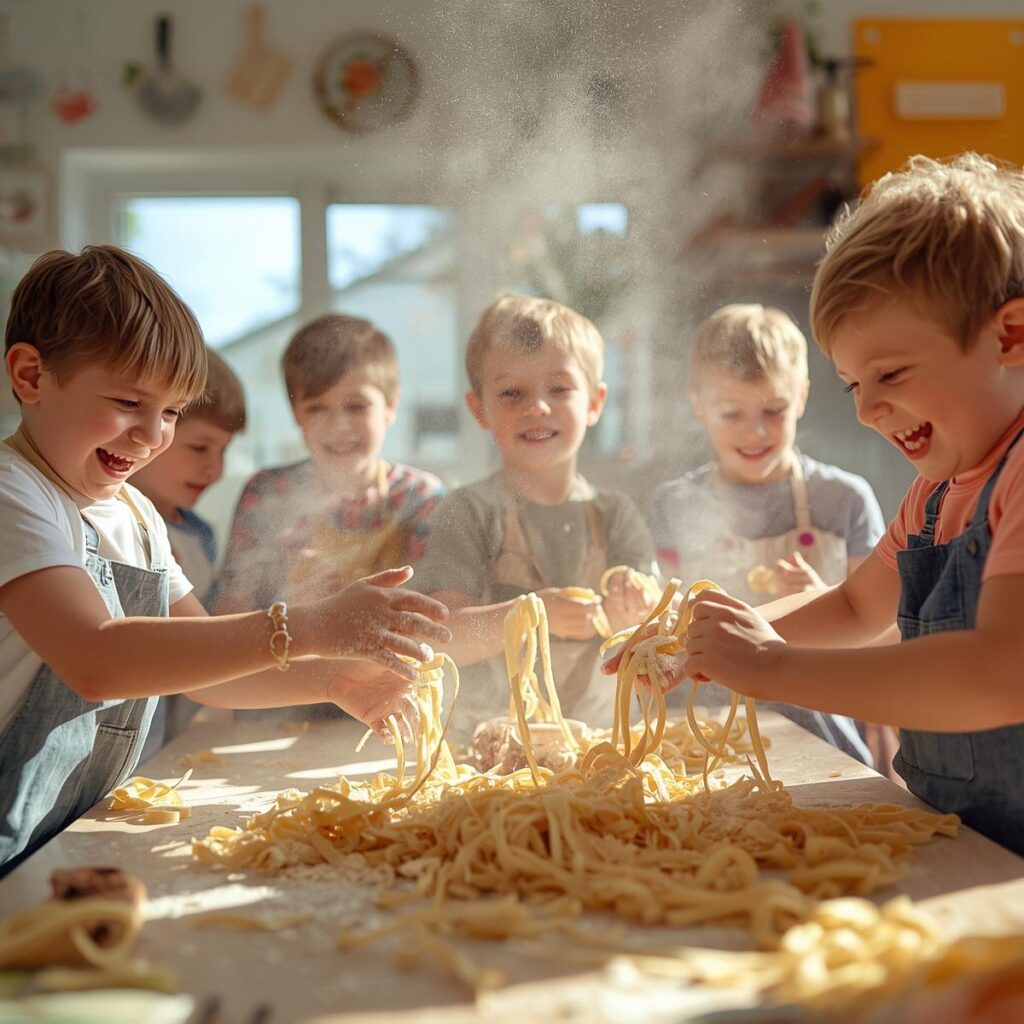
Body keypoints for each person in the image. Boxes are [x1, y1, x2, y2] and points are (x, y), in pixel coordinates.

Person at [0, 246, 450, 874]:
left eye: (171, 412)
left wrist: (330, 680)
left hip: (66, 829)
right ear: (30, 376)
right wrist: (309, 627)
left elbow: (200, 663)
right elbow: (96, 658)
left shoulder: (135, 515)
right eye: (129, 403)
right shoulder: (13, 493)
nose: (154, 435)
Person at [634, 154, 1024, 853]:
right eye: (852, 384)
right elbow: (852, 608)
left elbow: (999, 674)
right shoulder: (934, 492)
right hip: (962, 837)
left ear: (1012, 335)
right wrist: (706, 640)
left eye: (891, 374)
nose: (870, 409)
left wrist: (771, 668)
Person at [648, 303, 886, 764]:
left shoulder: (845, 501)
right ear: (698, 405)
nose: (754, 431)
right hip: (705, 737)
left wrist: (823, 597)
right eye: (731, 413)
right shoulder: (672, 505)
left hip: (823, 732)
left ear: (800, 398)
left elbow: (882, 635)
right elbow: (662, 620)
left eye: (773, 410)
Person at [413, 293, 658, 740]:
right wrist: (530, 613)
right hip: (488, 753)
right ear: (478, 409)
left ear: (595, 402)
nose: (536, 407)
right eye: (511, 392)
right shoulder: (466, 513)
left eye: (559, 388)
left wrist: (636, 611)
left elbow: (660, 638)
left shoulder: (616, 516)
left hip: (608, 747)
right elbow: (439, 639)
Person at [131, 348, 246, 751]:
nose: (215, 468)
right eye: (200, 448)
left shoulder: (201, 535)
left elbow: (208, 637)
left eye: (224, 451)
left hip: (173, 739)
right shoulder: (117, 526)